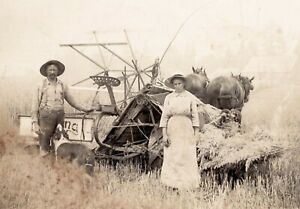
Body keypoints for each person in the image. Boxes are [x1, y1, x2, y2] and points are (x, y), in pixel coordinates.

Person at [31, 60, 93, 156]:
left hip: (59, 117)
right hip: (45, 118)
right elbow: (34, 105)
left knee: (60, 143)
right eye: (50, 70)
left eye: (54, 70)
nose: (52, 72)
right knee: (44, 144)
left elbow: (71, 100)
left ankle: (58, 165)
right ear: (46, 72)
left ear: (58, 72)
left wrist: (84, 109)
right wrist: (35, 122)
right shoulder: (40, 85)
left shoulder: (62, 85)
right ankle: (43, 165)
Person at [159, 73, 200, 190]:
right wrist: (164, 134)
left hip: (186, 129)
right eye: (175, 84)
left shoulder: (190, 97)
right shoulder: (169, 98)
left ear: (184, 84)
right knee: (173, 155)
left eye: (179, 84)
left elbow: (195, 116)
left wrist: (196, 133)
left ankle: (187, 184)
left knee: (186, 155)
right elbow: (164, 117)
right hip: (173, 128)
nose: (177, 86)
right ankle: (172, 183)